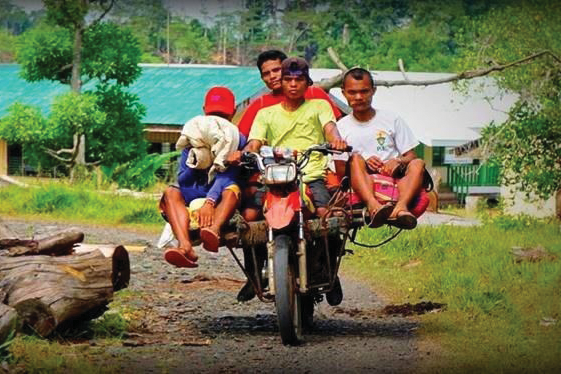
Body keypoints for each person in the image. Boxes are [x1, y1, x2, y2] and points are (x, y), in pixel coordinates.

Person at [230, 57, 348, 305]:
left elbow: (330, 129)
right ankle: (255, 273)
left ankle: (328, 270)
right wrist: (245, 153)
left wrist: (336, 140)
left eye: (299, 80)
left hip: (311, 175)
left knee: (329, 217)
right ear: (280, 83)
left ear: (308, 83)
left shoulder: (319, 106)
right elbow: (255, 142)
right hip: (274, 178)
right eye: (288, 79)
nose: (293, 84)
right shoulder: (264, 113)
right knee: (250, 220)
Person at [159, 86, 246, 268]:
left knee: (232, 189)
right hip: (194, 193)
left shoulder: (238, 139)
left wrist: (210, 202)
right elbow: (183, 180)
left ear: (232, 114)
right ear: (204, 112)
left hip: (222, 197)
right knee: (170, 192)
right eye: (213, 114)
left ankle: (213, 230)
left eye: (221, 115)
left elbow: (227, 177)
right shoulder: (192, 137)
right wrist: (198, 158)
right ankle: (185, 246)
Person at [333, 68, 426, 229]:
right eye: (352, 92)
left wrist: (396, 161)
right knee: (355, 159)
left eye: (364, 91)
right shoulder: (340, 127)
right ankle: (373, 205)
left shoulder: (392, 119)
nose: (359, 97)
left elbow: (411, 155)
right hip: (363, 180)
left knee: (418, 163)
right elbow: (341, 172)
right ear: (343, 93)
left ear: (373, 91)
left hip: (395, 179)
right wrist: (364, 164)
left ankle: (401, 208)